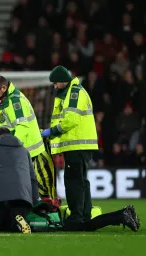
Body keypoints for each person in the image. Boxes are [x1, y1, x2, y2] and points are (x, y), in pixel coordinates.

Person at [41, 65, 98, 230]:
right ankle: (85, 215)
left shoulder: (74, 93)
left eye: (55, 83)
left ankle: (76, 217)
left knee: (73, 181)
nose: (54, 86)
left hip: (77, 144)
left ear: (62, 80)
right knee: (81, 181)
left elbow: (71, 119)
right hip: (80, 144)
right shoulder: (73, 92)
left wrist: (52, 131)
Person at [0, 76, 54, 199]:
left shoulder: (16, 102)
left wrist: (12, 148)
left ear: (3, 88)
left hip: (29, 151)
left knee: (36, 187)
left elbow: (23, 126)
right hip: (17, 152)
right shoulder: (3, 99)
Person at [0, 127, 39, 233]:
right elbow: (33, 178)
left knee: (0, 218)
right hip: (22, 197)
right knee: (16, 214)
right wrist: (34, 200)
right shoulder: (24, 150)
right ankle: (18, 222)